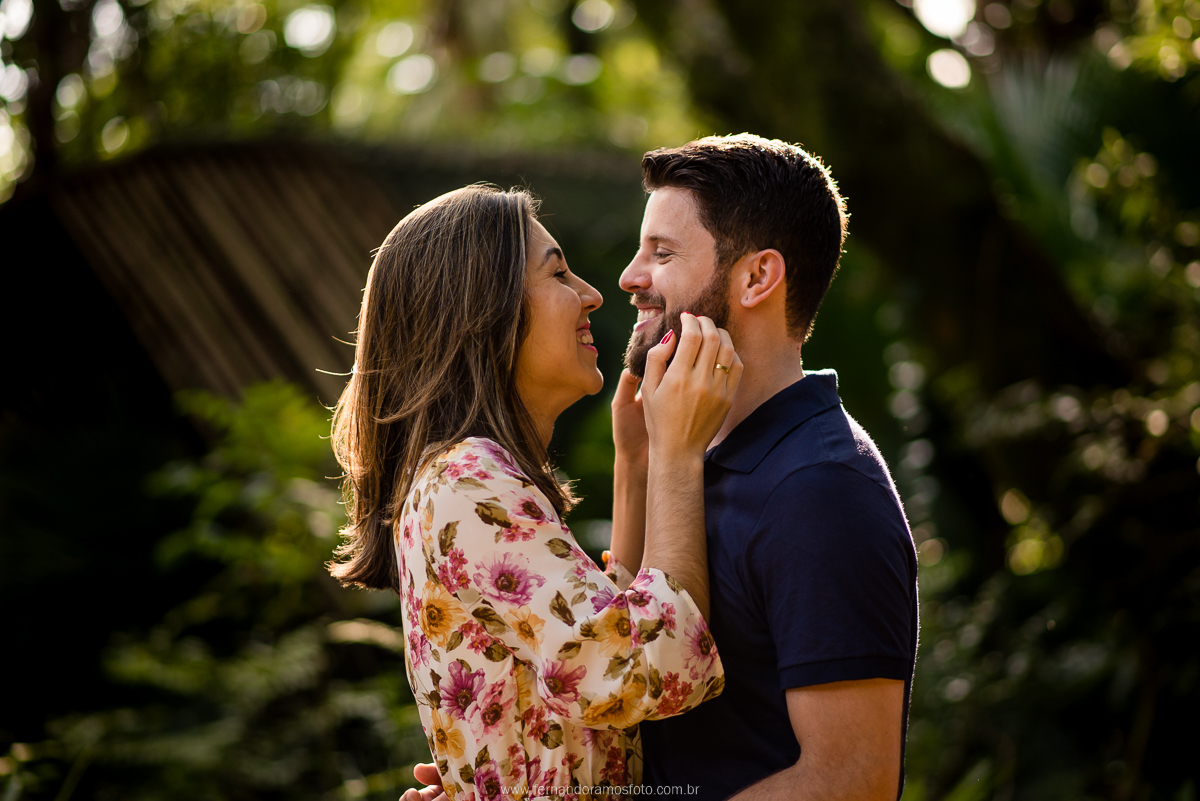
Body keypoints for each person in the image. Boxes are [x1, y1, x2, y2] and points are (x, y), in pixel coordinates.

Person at [328, 185, 743, 797]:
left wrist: (638, 463)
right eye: (559, 273)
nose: (592, 295)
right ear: (485, 311)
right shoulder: (467, 482)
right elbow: (646, 667)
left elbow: (603, 634)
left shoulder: (461, 479)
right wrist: (680, 458)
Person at [620, 135, 918, 800]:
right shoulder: (689, 455)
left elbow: (852, 780)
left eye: (662, 253)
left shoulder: (821, 487)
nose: (630, 276)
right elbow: (637, 683)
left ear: (757, 277)